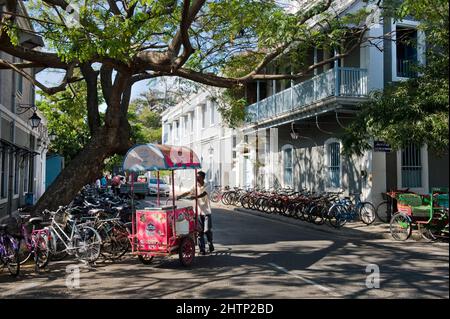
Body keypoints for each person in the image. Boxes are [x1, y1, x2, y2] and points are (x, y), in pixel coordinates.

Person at [177, 171, 214, 255]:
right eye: (196, 177)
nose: (197, 179)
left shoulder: (207, 185)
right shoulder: (195, 185)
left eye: (198, 177)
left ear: (203, 178)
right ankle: (202, 249)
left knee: (207, 230)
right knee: (199, 232)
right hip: (198, 212)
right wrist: (180, 196)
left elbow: (203, 194)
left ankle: (210, 243)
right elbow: (189, 192)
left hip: (206, 211)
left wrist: (195, 197)